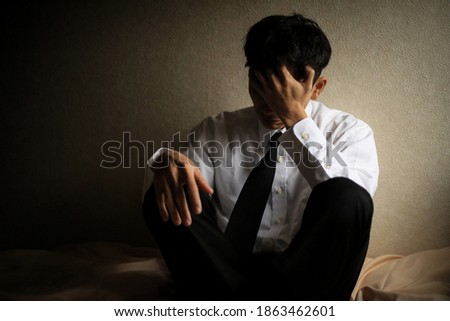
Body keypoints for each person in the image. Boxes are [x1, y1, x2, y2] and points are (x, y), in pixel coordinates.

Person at [142, 13, 379, 300]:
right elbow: (181, 202)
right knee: (167, 191)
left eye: (281, 92)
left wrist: (295, 118)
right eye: (258, 86)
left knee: (348, 197)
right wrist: (166, 165)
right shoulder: (217, 129)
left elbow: (348, 210)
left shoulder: (349, 132)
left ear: (316, 87)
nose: (267, 104)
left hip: (306, 281)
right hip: (222, 270)